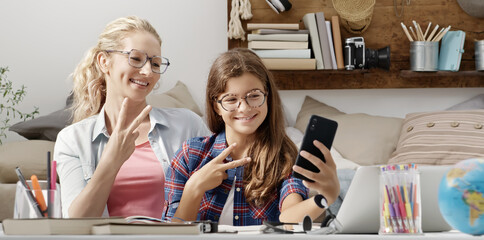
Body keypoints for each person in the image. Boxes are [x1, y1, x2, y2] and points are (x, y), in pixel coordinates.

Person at [54, 16, 210, 219]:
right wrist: (111, 161)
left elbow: (215, 202)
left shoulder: (188, 125)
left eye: (155, 64)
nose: (147, 71)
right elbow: (75, 224)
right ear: (104, 61)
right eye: (136, 59)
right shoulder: (72, 139)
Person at [164, 48, 340, 225]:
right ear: (216, 106)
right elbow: (173, 233)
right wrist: (195, 187)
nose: (244, 108)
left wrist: (327, 196)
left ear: (267, 97)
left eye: (254, 96)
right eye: (231, 100)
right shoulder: (190, 154)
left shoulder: (284, 157)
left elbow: (288, 218)